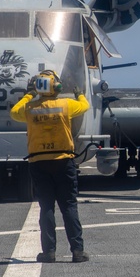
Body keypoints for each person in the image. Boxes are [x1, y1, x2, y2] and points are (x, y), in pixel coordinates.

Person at [10, 70, 91, 263]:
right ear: (57, 87)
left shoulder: (30, 108)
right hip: (64, 161)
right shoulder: (66, 105)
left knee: (46, 206)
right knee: (69, 206)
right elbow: (85, 106)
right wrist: (79, 93)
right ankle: (77, 252)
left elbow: (14, 112)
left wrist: (29, 94)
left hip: (39, 162)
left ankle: (49, 252)